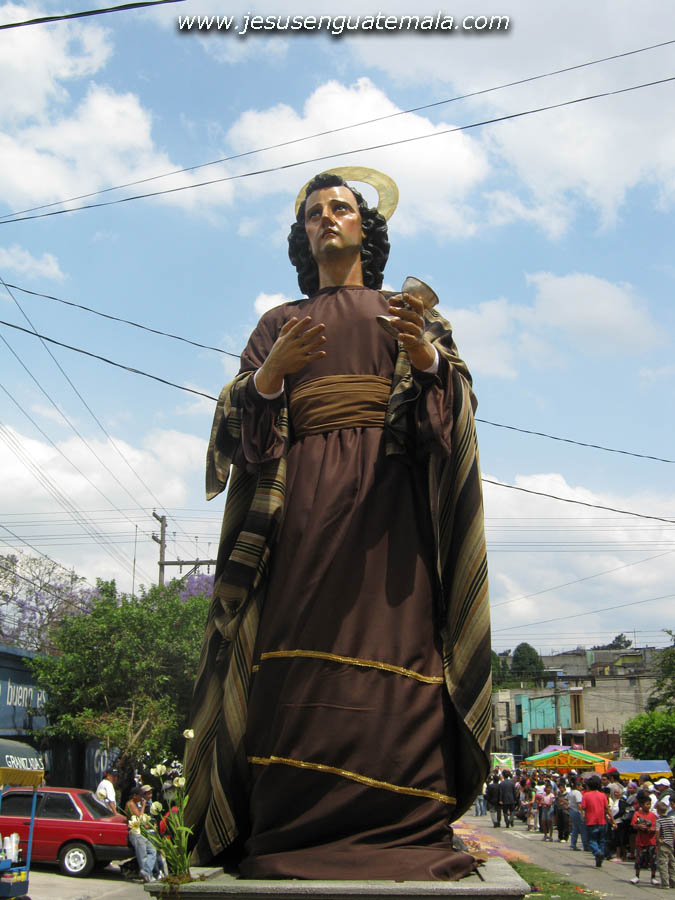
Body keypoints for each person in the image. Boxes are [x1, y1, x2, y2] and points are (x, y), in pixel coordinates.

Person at [184, 169, 490, 880]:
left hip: (390, 513)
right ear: (302, 236)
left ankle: (403, 820)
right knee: (288, 639)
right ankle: (285, 824)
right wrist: (269, 376)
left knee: (399, 639)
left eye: (341, 208)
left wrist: (424, 358)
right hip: (302, 505)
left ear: (365, 228)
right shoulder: (278, 323)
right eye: (314, 212)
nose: (327, 218)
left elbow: (451, 414)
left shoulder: (405, 311)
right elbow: (240, 426)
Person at [125, 785, 158, 883]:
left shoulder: (135, 804)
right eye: (139, 796)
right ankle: (147, 875)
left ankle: (146, 871)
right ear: (134, 795)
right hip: (135, 832)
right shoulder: (131, 804)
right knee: (142, 855)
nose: (141, 798)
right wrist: (143, 806)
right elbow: (140, 817)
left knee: (152, 851)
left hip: (140, 831)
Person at [581, 774, 613, 867]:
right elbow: (607, 809)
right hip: (602, 821)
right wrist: (612, 819)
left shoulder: (586, 795)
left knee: (591, 840)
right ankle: (600, 857)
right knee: (602, 840)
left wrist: (583, 816)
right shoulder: (602, 795)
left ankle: (597, 852)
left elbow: (583, 807)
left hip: (591, 821)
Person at [631, 795, 658, 885]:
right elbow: (633, 825)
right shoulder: (637, 814)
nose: (648, 806)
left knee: (653, 859)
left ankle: (653, 877)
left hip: (651, 841)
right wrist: (639, 826)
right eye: (647, 804)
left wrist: (650, 829)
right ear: (642, 805)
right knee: (639, 858)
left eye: (649, 804)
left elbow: (655, 827)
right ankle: (637, 876)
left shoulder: (653, 815)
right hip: (641, 841)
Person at [655, 800, 675, 889]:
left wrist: (658, 839)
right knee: (672, 863)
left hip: (663, 843)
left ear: (658, 811)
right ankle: (673, 881)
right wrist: (673, 840)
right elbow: (674, 831)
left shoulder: (659, 820)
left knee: (663, 863)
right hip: (670, 843)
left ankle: (665, 883)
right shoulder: (670, 820)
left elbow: (657, 830)